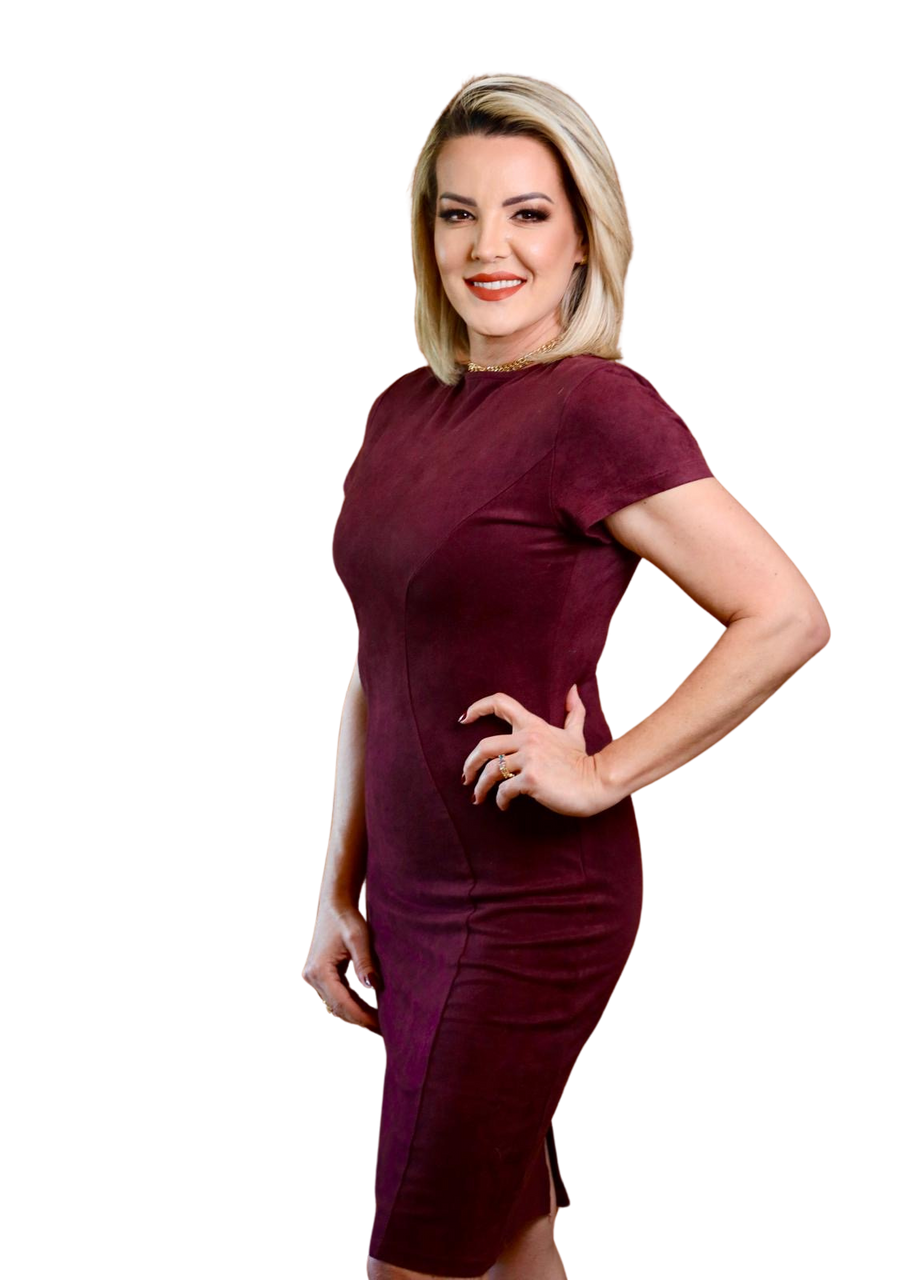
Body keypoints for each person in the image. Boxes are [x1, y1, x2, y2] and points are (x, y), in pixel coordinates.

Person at [303, 73, 830, 1280]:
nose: (487, 247)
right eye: (457, 213)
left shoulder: (592, 408)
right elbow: (375, 660)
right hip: (411, 897)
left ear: (582, 236)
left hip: (527, 904)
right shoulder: (402, 412)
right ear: (425, 234)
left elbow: (783, 614)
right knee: (510, 1228)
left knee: (414, 1258)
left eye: (527, 213)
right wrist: (335, 886)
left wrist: (600, 771)